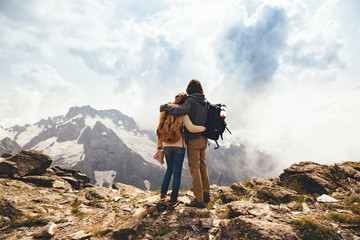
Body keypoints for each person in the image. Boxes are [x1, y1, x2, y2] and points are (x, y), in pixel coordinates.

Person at [160, 79, 209, 208]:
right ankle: (206, 193)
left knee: (194, 167)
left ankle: (199, 199)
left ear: (189, 89)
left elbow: (181, 111)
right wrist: (205, 129)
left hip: (194, 138)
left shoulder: (191, 101)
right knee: (203, 166)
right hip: (204, 139)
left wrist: (165, 106)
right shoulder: (205, 102)